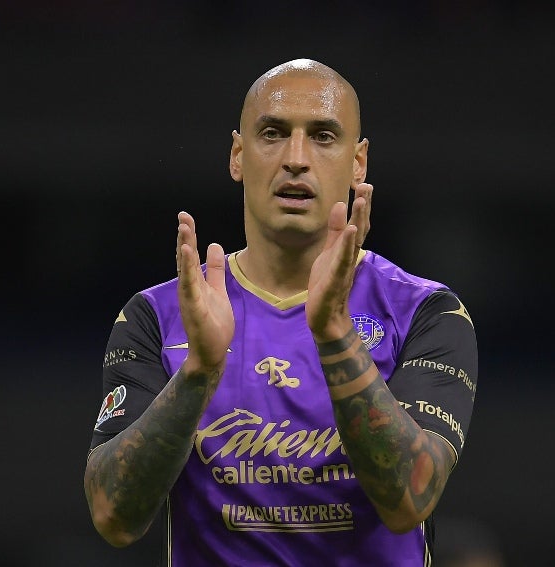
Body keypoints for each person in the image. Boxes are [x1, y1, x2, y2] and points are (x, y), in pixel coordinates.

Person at [84, 57, 478, 566]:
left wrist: (334, 333)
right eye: (272, 133)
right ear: (237, 155)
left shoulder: (425, 312)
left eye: (323, 136)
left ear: (358, 163)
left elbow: (409, 501)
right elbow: (113, 518)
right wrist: (199, 373)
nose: (296, 158)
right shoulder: (157, 317)